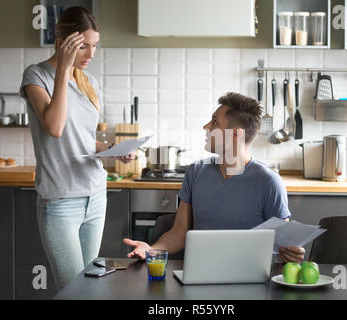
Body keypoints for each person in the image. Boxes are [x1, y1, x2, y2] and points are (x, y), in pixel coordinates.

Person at [19, 6, 135, 291]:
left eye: (94, 46)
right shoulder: (36, 76)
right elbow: (55, 127)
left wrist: (110, 149)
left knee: (91, 286)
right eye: (83, 46)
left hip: (95, 195)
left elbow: (81, 139)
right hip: (60, 201)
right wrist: (63, 69)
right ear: (62, 44)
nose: (91, 54)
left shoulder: (90, 82)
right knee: (73, 289)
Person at [123, 92, 305, 264]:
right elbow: (179, 232)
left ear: (235, 134)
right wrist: (151, 250)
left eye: (215, 122)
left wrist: (291, 252)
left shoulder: (269, 182)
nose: (206, 127)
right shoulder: (196, 172)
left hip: (249, 277)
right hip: (199, 270)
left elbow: (284, 244)